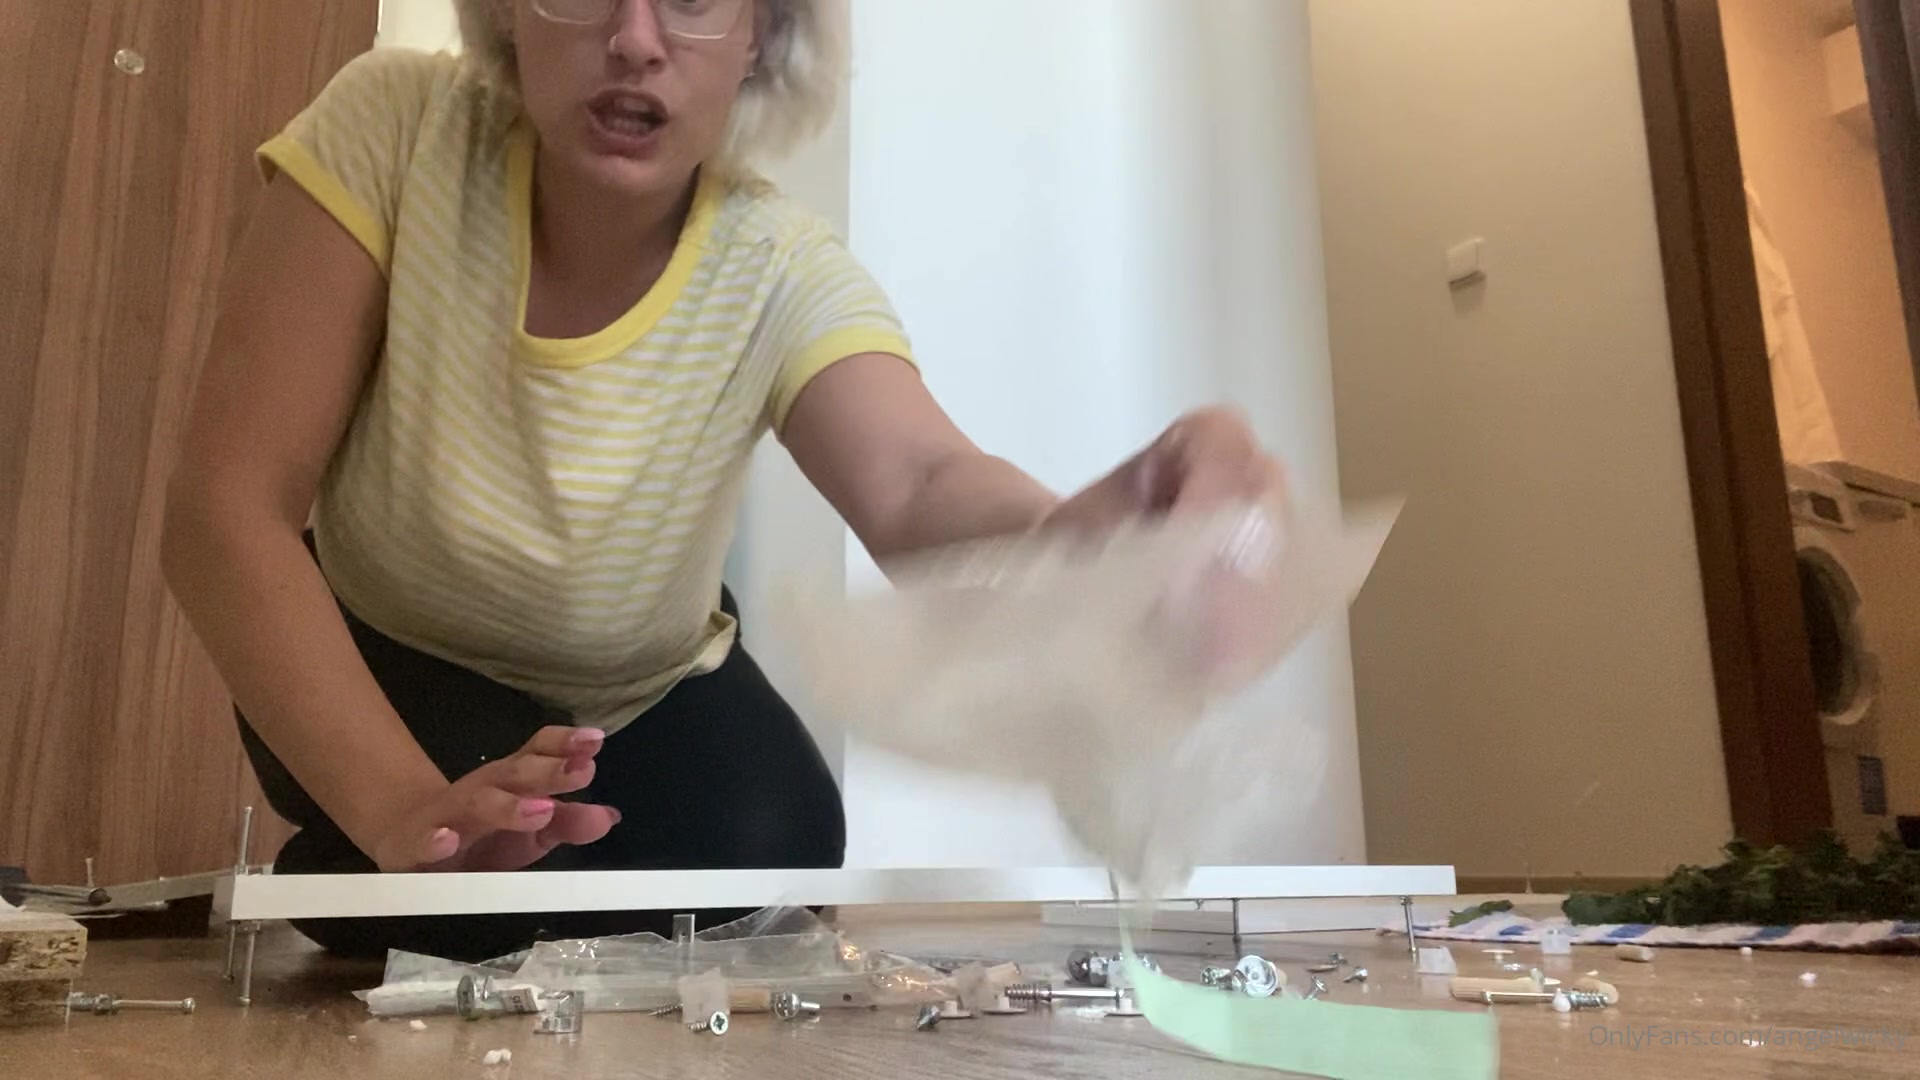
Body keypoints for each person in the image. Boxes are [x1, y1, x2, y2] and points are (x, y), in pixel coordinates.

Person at [162, 0, 1286, 961]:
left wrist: (1112, 537)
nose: (635, 39)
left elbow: (920, 483)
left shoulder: (780, 265)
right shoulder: (394, 124)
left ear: (762, 34)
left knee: (776, 857)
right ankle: (361, 842)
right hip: (386, 649)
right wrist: (405, 811)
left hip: (640, 684)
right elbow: (228, 509)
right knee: (481, 894)